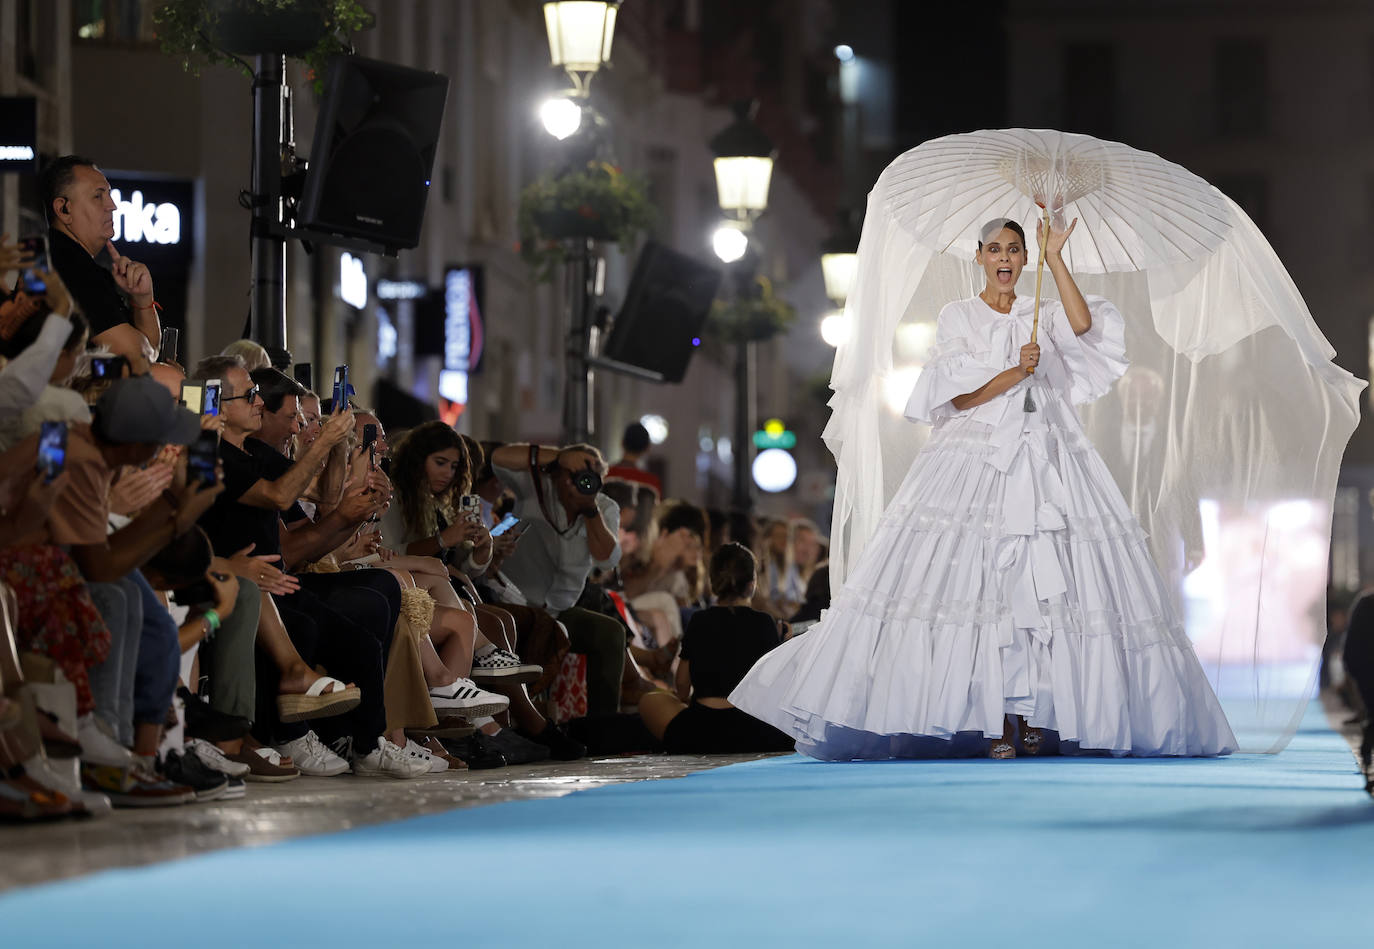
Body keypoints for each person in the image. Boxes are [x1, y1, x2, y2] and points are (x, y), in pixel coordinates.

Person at [731, 216, 1237, 761]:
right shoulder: (958, 317)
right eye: (995, 248)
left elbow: (1085, 326)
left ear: (1023, 261)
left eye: (1015, 250)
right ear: (978, 257)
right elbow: (959, 398)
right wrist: (1014, 372)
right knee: (979, 588)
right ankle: (992, 716)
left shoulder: (1039, 309)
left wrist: (1055, 256)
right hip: (972, 460)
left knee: (1052, 587)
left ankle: (1041, 713)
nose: (1004, 258)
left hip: (1047, 458)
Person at [638, 543, 794, 754]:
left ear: (713, 583)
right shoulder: (765, 622)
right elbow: (775, 687)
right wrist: (785, 646)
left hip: (701, 732)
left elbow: (682, 685)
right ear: (752, 584)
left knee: (651, 701)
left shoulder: (699, 620)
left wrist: (683, 701)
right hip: (753, 732)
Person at [39, 156, 161, 359]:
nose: (112, 206)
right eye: (98, 196)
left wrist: (142, 297)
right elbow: (140, 357)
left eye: (109, 194)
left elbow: (148, 354)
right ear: (64, 209)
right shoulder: (69, 267)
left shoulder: (68, 261)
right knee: (170, 380)